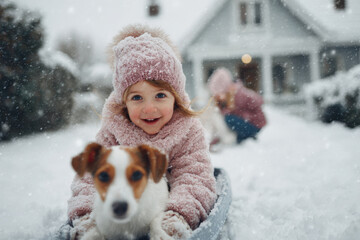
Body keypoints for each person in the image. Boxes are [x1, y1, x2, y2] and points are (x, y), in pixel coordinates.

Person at [66, 24, 217, 240]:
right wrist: (87, 216)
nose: (149, 108)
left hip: (164, 206)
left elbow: (194, 177)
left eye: (160, 96)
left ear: (176, 97)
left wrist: (177, 215)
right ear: (123, 102)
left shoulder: (188, 130)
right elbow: (90, 177)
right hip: (125, 207)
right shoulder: (114, 129)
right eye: (137, 97)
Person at [208, 67, 266, 144]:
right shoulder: (226, 100)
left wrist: (246, 114)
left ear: (224, 88)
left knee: (229, 118)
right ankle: (245, 138)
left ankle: (249, 135)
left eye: (219, 93)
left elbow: (259, 101)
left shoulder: (238, 93)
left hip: (255, 124)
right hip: (245, 123)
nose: (218, 97)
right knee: (223, 118)